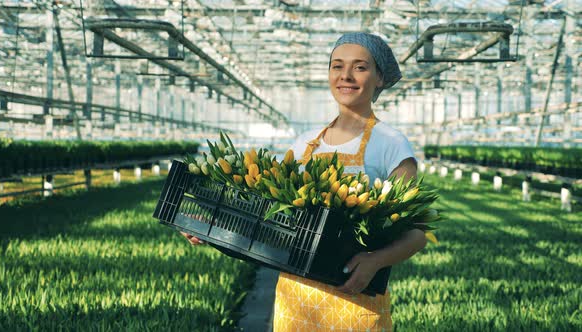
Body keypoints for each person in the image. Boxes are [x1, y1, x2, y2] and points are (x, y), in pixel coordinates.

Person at [182, 32, 427, 331]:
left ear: (380, 78)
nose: (345, 75)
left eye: (360, 67)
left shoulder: (392, 145)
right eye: (337, 66)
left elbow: (416, 234)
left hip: (355, 301)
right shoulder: (302, 145)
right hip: (295, 302)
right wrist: (213, 230)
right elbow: (272, 226)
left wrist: (376, 260)